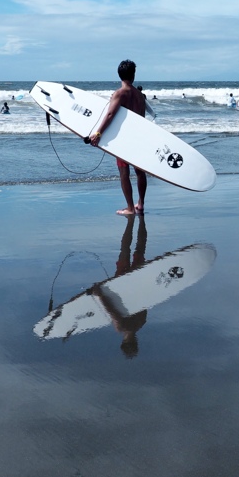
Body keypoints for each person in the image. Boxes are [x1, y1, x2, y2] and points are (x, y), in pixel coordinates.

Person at [89, 59, 148, 216]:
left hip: (124, 140)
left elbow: (110, 114)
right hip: (139, 138)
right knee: (140, 172)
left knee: (124, 173)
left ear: (119, 75)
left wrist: (98, 133)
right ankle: (140, 204)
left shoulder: (120, 93)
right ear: (133, 75)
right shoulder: (140, 96)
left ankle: (130, 208)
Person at [89, 214, 149, 358]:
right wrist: (99, 294)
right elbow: (110, 308)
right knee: (124, 250)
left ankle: (136, 222)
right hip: (122, 285)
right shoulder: (122, 326)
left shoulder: (142, 322)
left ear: (136, 342)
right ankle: (131, 223)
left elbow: (146, 300)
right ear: (124, 342)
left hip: (137, 283)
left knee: (139, 250)